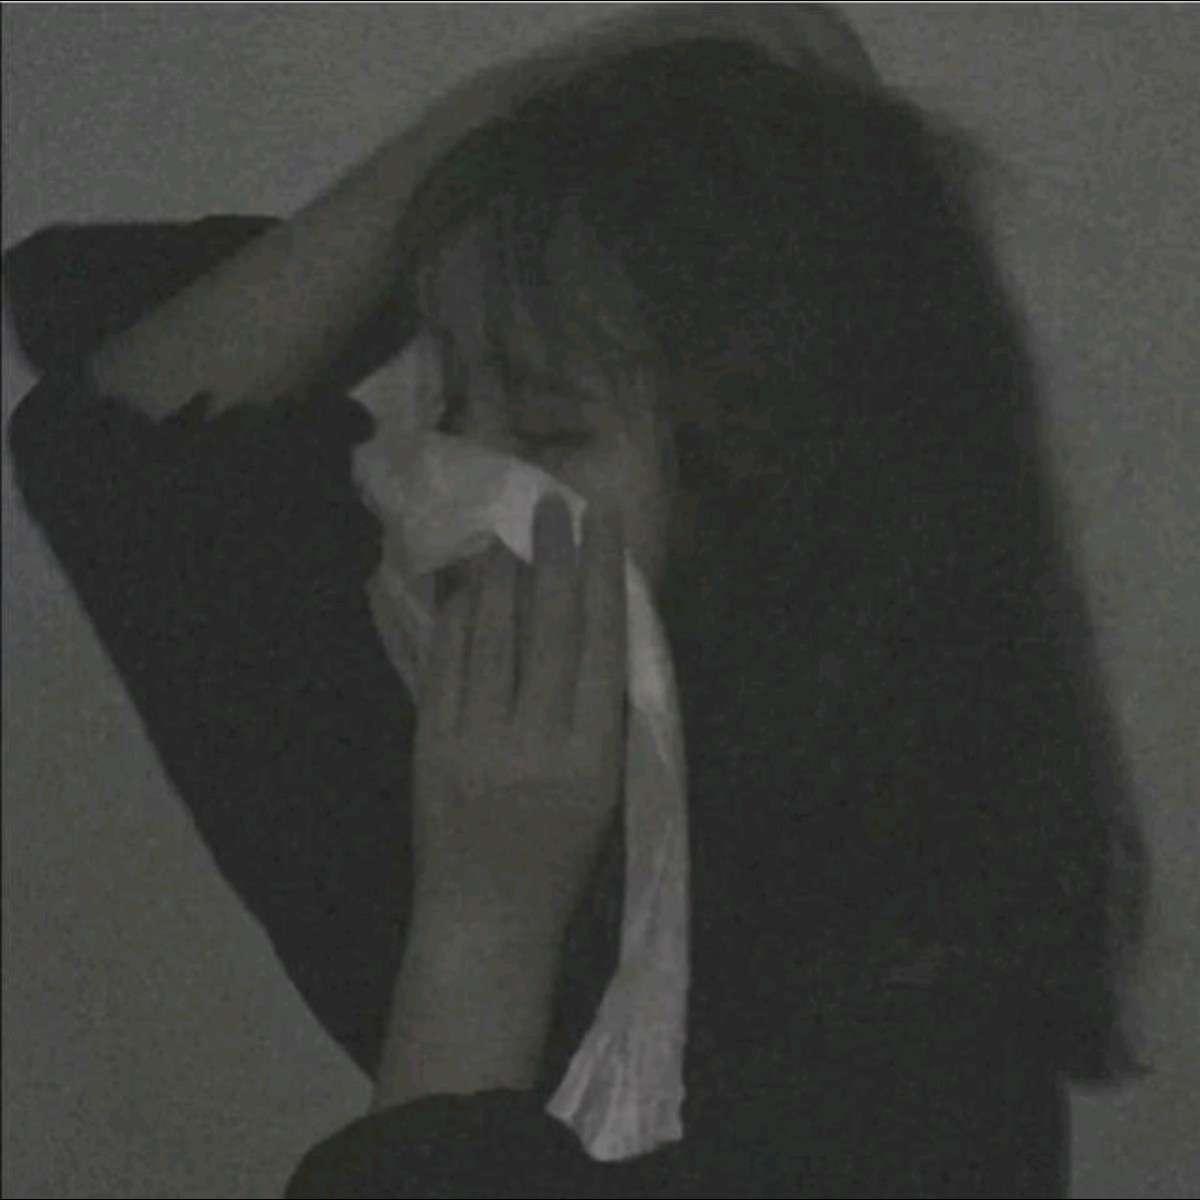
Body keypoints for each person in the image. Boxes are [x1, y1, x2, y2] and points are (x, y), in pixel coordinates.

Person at [4, 6, 1152, 1197]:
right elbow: (122, 449)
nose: (463, 481)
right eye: (455, 407)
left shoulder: (919, 1049)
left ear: (775, 492)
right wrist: (521, 106)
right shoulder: (483, 764)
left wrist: (481, 934)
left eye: (548, 430)